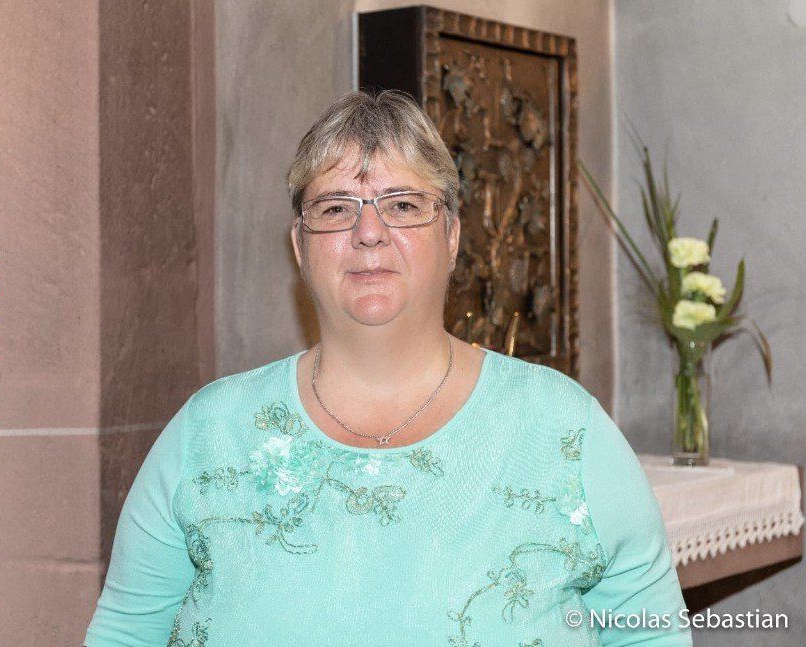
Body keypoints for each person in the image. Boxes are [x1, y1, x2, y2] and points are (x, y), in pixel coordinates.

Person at [84, 90, 692, 646]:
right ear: (299, 245)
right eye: (335, 208)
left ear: (451, 235)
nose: (368, 232)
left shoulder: (564, 431)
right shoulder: (210, 434)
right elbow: (123, 637)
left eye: (402, 205)